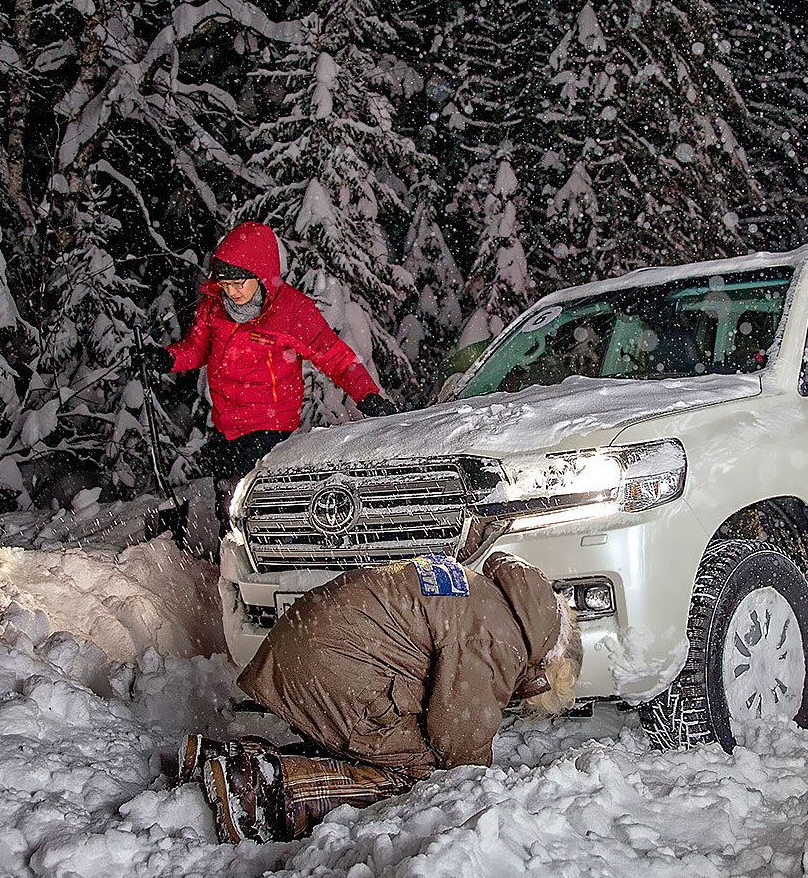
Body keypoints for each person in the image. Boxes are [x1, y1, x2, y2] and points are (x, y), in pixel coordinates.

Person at [179, 553, 582, 843]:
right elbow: (457, 733)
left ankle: (221, 759)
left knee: (381, 745)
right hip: (333, 663)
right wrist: (480, 786)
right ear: (549, 663)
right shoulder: (501, 637)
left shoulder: (483, 595)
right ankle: (261, 792)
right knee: (418, 770)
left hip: (311, 641)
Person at [140, 221, 399, 493]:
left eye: (239, 282)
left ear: (261, 274)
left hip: (268, 427)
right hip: (224, 423)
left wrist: (367, 395)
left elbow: (333, 356)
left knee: (254, 503)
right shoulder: (214, 306)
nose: (232, 292)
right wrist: (166, 359)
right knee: (226, 504)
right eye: (226, 284)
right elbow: (197, 347)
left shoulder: (291, 311)